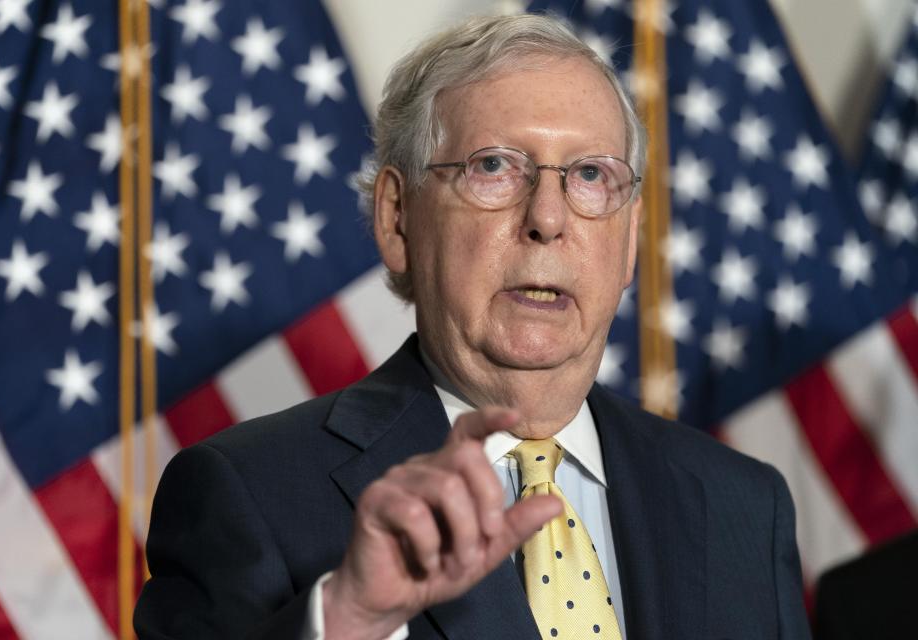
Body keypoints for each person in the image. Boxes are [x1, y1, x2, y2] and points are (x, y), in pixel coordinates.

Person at [135, 13, 811, 640]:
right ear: (398, 219)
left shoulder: (744, 509)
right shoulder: (244, 494)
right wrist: (348, 619)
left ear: (630, 240)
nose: (548, 218)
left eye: (590, 176)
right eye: (494, 167)